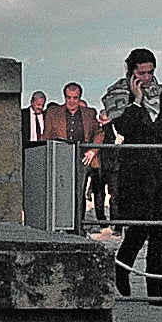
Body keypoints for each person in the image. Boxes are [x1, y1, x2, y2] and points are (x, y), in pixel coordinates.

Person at [101, 48, 162, 303]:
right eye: (142, 72)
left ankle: (155, 290)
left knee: (159, 230)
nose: (147, 77)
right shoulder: (119, 92)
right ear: (131, 71)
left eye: (150, 72)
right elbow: (124, 126)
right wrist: (137, 100)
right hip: (137, 169)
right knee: (139, 229)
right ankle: (122, 266)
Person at [66, 80, 112, 225]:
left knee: (83, 192)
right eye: (69, 98)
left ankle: (80, 223)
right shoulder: (59, 115)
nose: (72, 102)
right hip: (64, 157)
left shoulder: (89, 116)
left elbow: (99, 134)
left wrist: (93, 150)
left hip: (87, 160)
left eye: (75, 98)